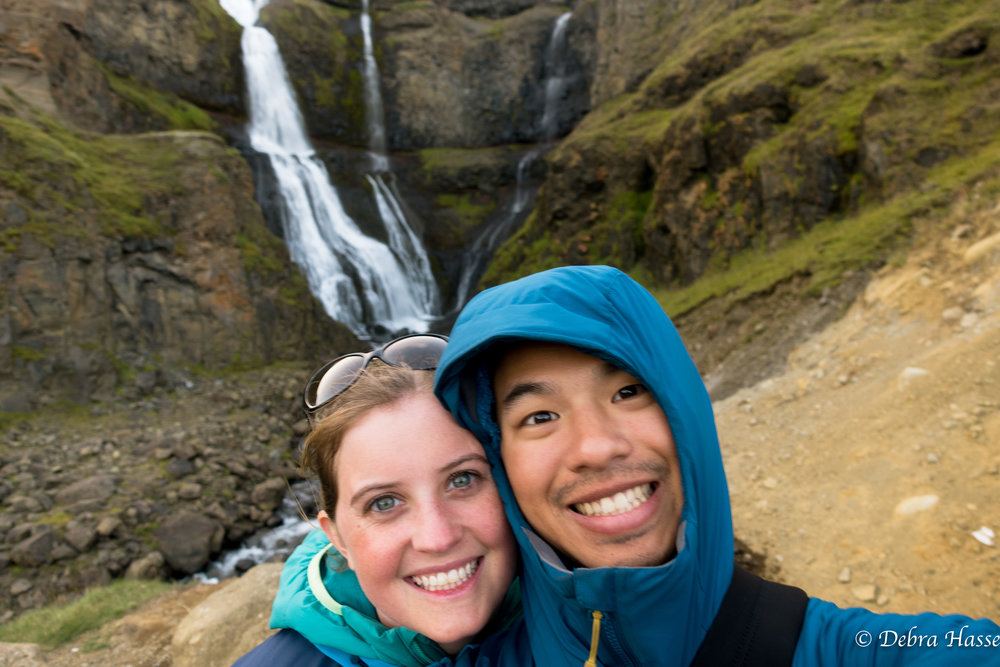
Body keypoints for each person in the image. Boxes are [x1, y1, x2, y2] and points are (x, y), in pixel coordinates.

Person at [433, 264, 1000, 666]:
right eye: (538, 416)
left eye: (629, 391)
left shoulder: (849, 651)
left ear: (686, 411)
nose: (597, 446)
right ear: (499, 464)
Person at [234, 334, 521, 667]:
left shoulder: (584, 623)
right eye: (384, 503)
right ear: (338, 538)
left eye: (462, 480)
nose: (438, 538)